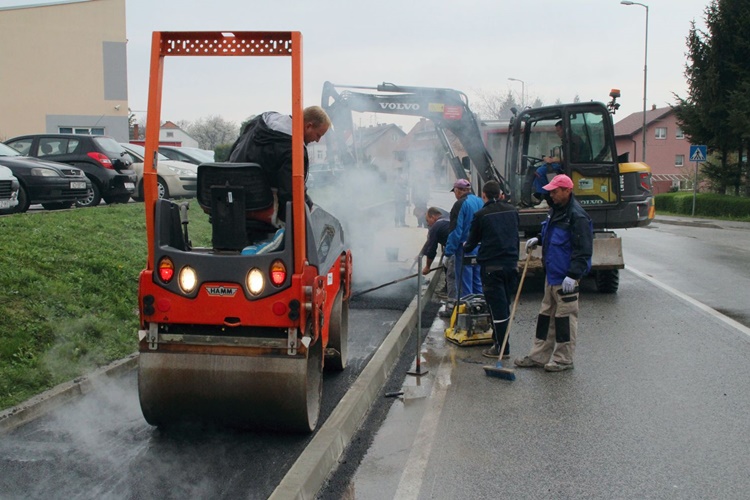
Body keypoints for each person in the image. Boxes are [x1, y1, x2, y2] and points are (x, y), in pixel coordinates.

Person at [514, 174, 593, 372]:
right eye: (550, 191)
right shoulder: (555, 211)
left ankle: (563, 359)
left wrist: (573, 275)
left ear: (567, 191)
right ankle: (538, 356)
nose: (551, 195)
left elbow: (583, 249)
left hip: (565, 277)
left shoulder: (577, 216)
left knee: (564, 320)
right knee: (545, 317)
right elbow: (552, 235)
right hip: (552, 275)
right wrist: (539, 239)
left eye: (555, 191)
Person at [228, 105, 331, 224]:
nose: (317, 141)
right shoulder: (293, 149)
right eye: (318, 135)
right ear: (308, 126)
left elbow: (234, 151)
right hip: (260, 206)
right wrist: (308, 208)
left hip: (231, 200)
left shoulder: (260, 122)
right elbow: (291, 194)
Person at [463, 180, 519, 359]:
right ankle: (499, 340)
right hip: (511, 265)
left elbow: (471, 242)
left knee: (497, 309)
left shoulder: (481, 215)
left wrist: (465, 246)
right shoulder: (513, 210)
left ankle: (502, 348)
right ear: (500, 194)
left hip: (492, 267)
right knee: (505, 305)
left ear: (484, 196)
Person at [445, 178, 483, 301]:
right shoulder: (479, 201)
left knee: (464, 284)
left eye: (455, 191)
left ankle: (466, 315)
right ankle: (481, 308)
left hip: (464, 248)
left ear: (458, 190)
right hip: (479, 246)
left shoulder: (460, 204)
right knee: (477, 281)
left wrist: (449, 251)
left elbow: (456, 230)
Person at [417, 206, 452, 300]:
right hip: (462, 246)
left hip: (455, 249)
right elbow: (429, 242)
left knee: (450, 268)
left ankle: (449, 292)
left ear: (433, 217)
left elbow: (432, 249)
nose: (428, 224)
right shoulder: (447, 218)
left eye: (428, 221)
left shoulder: (436, 226)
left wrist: (427, 267)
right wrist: (421, 254)